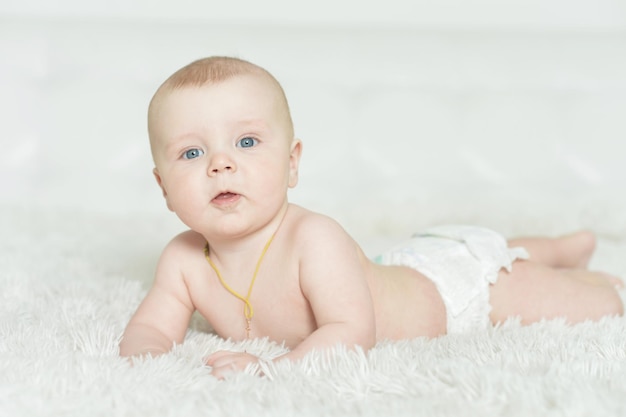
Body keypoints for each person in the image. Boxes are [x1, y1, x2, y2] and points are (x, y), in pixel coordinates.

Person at [119, 56, 624, 379]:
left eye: (246, 142)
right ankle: (559, 246)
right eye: (190, 153)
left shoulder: (314, 239)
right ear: (163, 187)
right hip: (402, 264)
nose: (220, 163)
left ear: (292, 163)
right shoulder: (184, 259)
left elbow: (350, 332)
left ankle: (577, 261)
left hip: (454, 296)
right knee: (480, 249)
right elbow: (150, 331)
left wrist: (273, 371)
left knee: (577, 299)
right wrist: (144, 363)